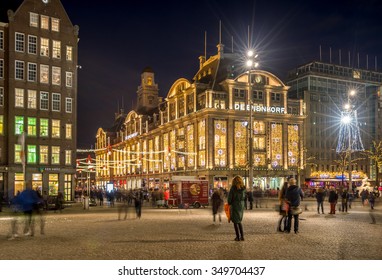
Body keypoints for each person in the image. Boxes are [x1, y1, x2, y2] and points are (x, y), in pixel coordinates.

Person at [227, 175, 246, 241]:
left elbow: (229, 198)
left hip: (235, 205)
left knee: (235, 222)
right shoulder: (243, 188)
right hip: (241, 205)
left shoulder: (233, 188)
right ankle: (242, 236)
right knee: (239, 221)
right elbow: (245, 197)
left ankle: (238, 237)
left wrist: (229, 203)